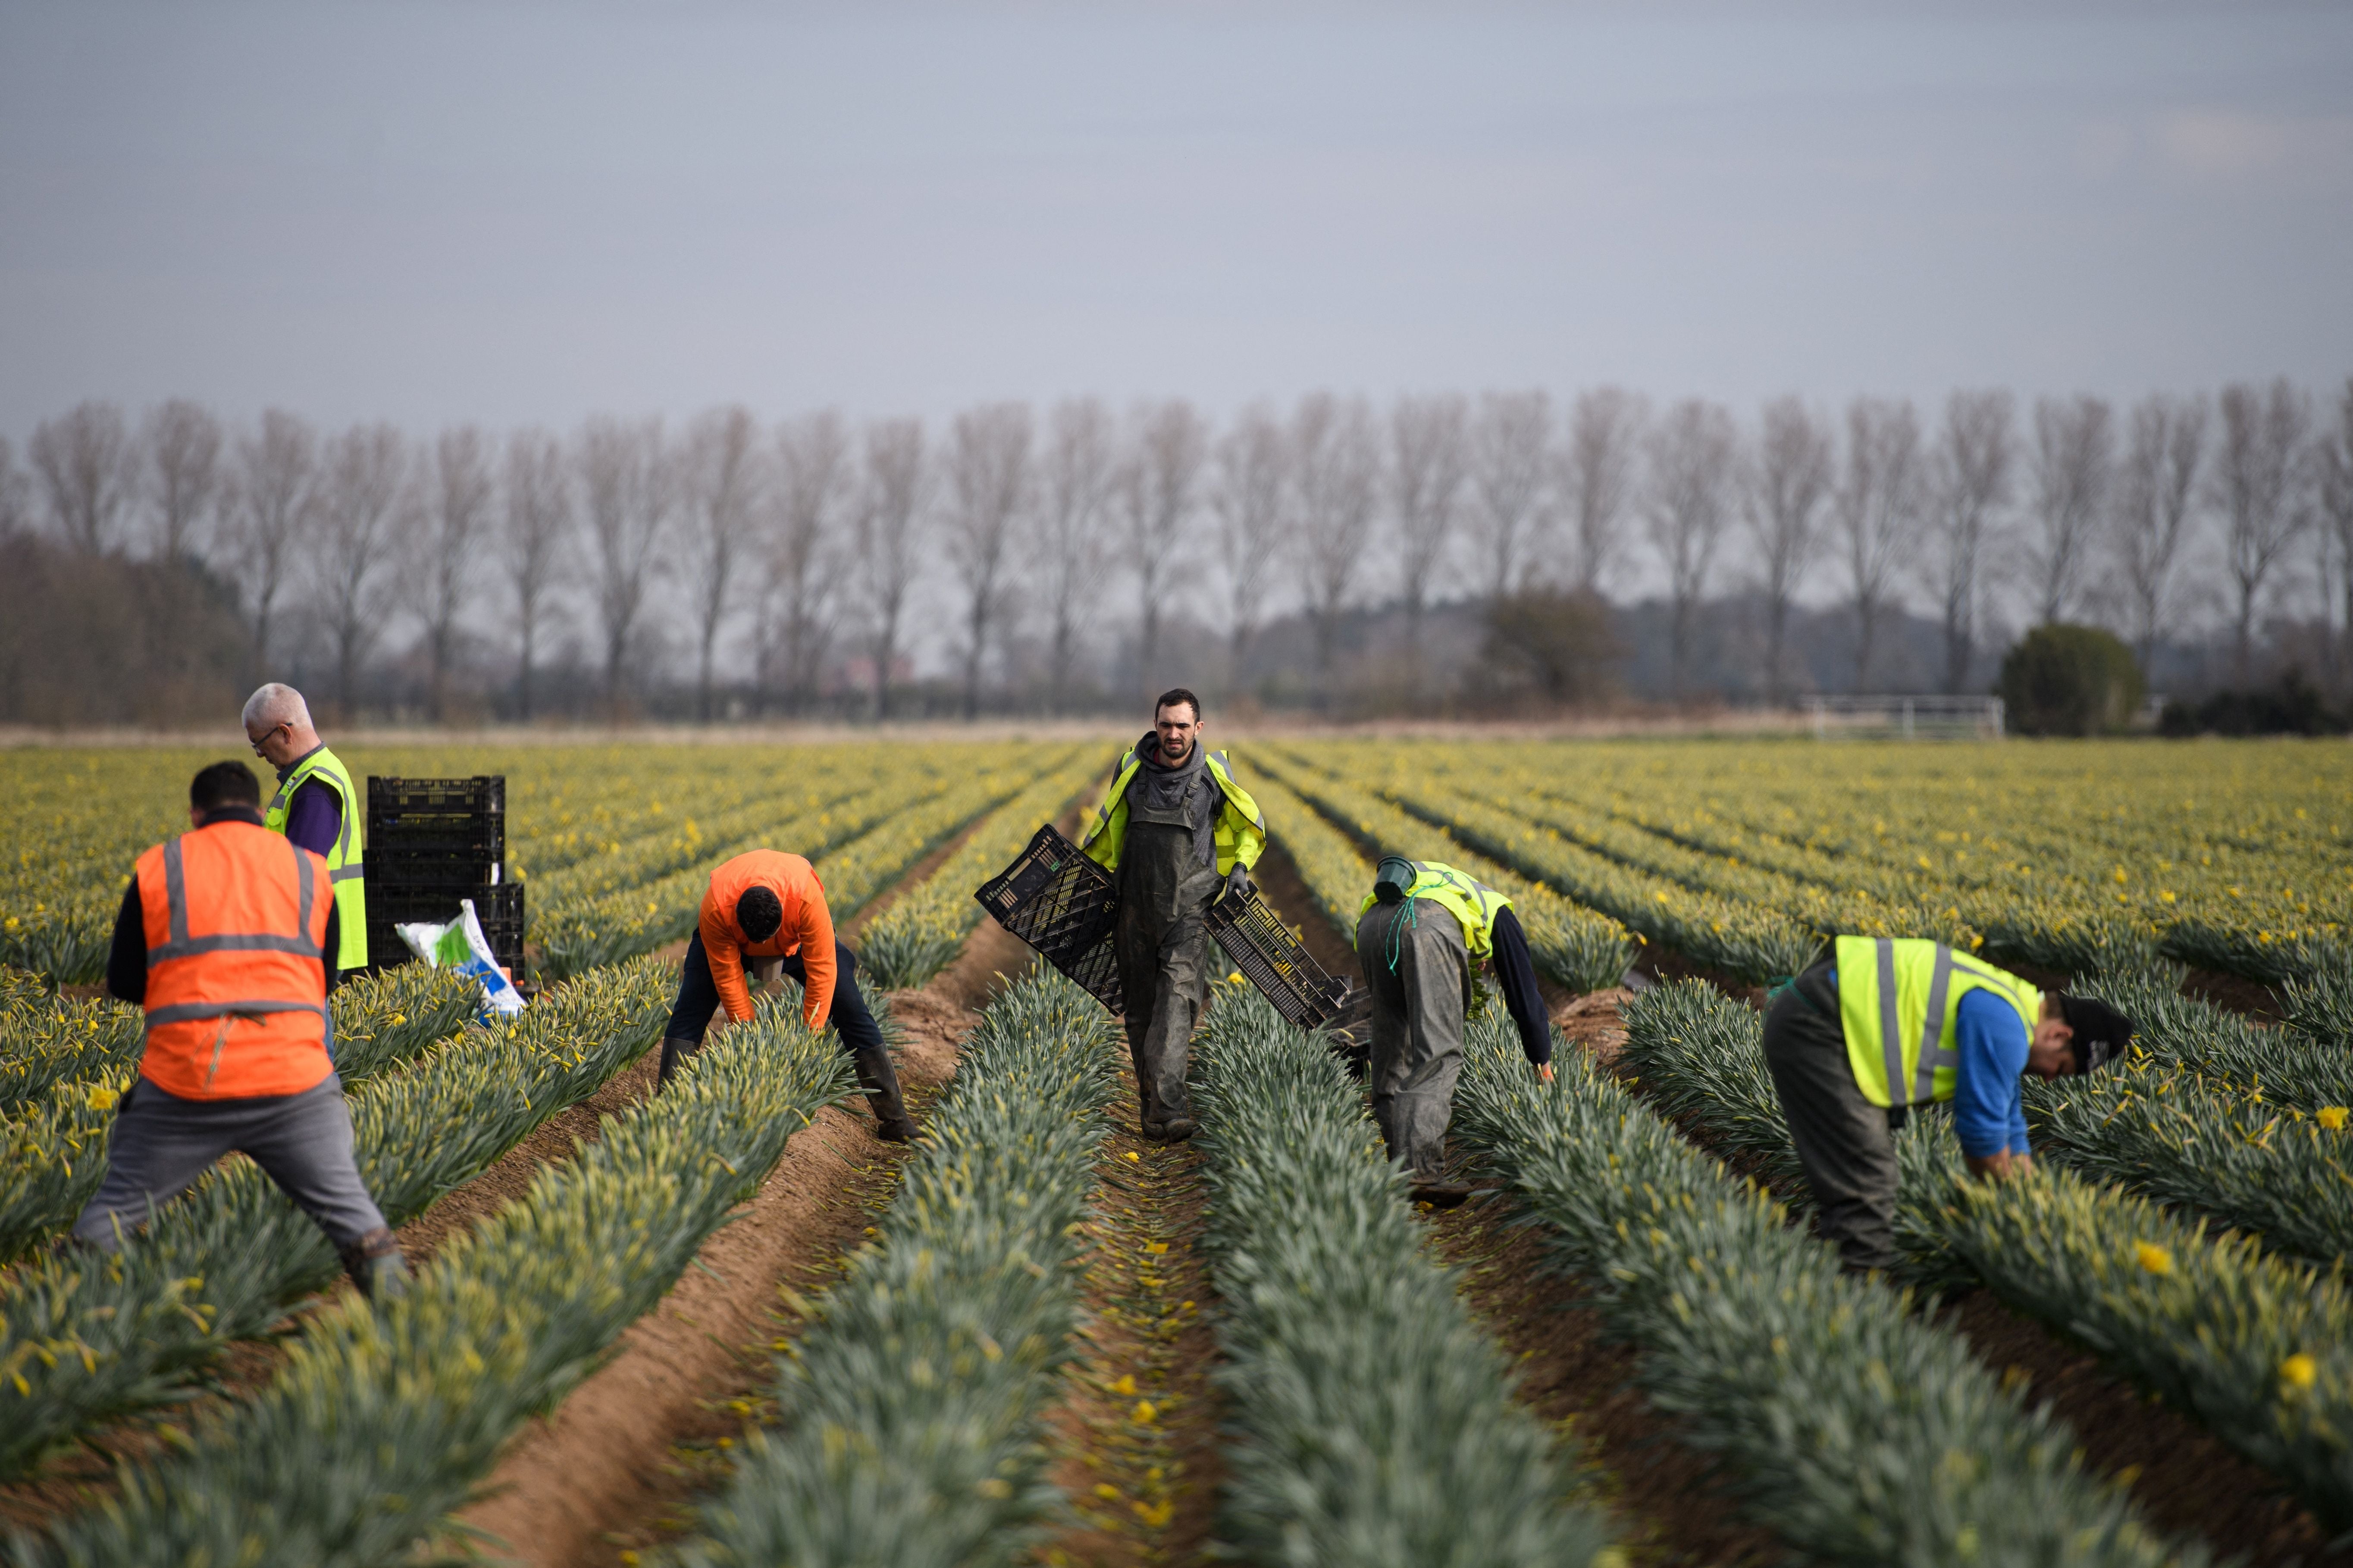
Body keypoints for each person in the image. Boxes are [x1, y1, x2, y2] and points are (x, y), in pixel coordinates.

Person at [74, 761, 409, 1298]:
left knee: (111, 1216)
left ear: (196, 814)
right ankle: (411, 1329)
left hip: (187, 1082)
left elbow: (125, 982)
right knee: (363, 1230)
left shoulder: (161, 869)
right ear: (258, 812)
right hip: (294, 1083)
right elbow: (321, 980)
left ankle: (63, 1326)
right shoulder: (307, 871)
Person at [1761, 935, 2135, 1274]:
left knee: (1865, 1179)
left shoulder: (2014, 1008)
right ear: (2058, 1035)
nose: (2051, 1078)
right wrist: (2017, 1216)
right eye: (2062, 1067)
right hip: (1819, 1025)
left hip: (1822, 1017)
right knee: (1867, 1183)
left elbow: (2008, 1123)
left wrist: (2026, 1188)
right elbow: (1982, 1139)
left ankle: (1840, 1297)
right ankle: (1849, 1309)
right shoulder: (2004, 1024)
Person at [1079, 688, 1266, 1142]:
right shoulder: (1131, 770)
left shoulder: (1213, 775)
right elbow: (1109, 834)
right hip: (1133, 908)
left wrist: (1240, 867)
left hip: (1189, 909)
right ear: (1155, 724)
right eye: (1166, 724)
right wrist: (1086, 876)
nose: (1174, 734)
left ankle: (1169, 1108)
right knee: (1140, 1013)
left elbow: (1249, 826)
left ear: (1198, 729)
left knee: (1178, 1003)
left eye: (1183, 726)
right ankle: (1152, 1108)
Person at [658, 848, 917, 1142]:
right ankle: (669, 1114)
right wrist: (749, 1037)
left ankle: (895, 1119)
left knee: (852, 1009)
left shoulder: (806, 898)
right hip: (730, 943)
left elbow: (822, 970)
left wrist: (808, 1037)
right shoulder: (716, 907)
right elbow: (728, 978)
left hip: (795, 945)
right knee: (689, 1012)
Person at [1355, 856, 1554, 1205]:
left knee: (1390, 1051)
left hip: (1371, 926)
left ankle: (1400, 1169)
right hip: (1426, 928)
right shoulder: (1498, 911)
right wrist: (1543, 1059)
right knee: (1438, 1054)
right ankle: (1421, 1170)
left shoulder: (1448, 884)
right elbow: (1523, 995)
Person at [243, 683, 369, 974]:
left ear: (284, 733)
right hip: (316, 943)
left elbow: (299, 871)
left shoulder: (314, 788)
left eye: (258, 742)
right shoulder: (311, 774)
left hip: (311, 946)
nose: (259, 754)